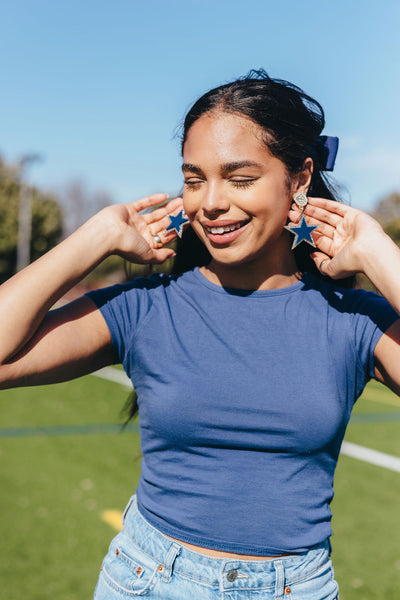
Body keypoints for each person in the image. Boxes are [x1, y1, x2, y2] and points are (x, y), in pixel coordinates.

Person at [1, 70, 400, 600]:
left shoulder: (354, 320)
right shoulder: (147, 308)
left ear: (300, 179)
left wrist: (377, 253)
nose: (210, 202)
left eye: (239, 179)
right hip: (144, 581)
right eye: (194, 179)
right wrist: (94, 237)